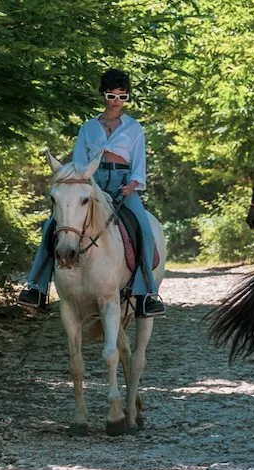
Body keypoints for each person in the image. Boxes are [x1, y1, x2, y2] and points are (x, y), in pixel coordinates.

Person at [18, 68, 166, 317]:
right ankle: (36, 287)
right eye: (112, 95)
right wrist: (79, 184)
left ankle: (147, 294)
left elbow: (139, 166)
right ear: (103, 95)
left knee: (145, 230)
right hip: (90, 183)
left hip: (123, 183)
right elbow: (78, 163)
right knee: (51, 226)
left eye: (122, 96)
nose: (116, 101)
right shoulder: (88, 128)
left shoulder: (134, 128)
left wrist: (132, 185)